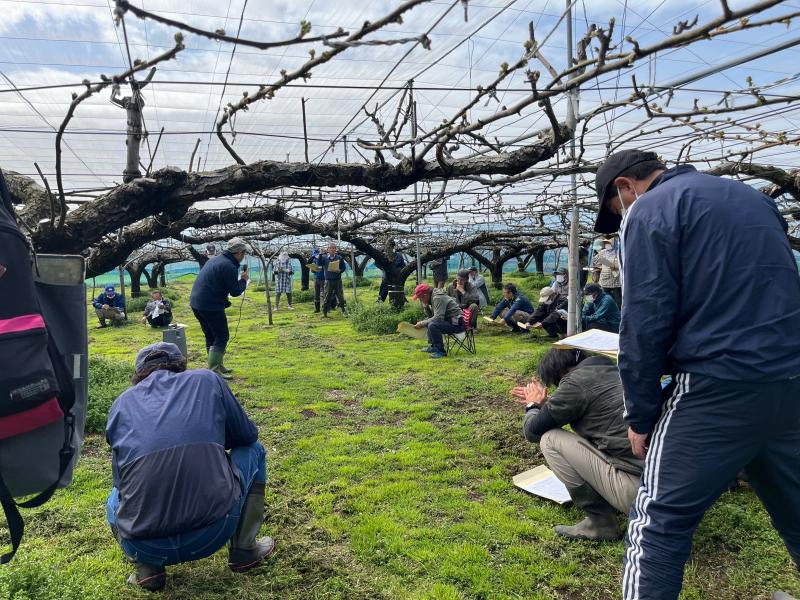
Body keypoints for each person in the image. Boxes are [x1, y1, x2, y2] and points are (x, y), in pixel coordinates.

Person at [594, 148, 800, 600]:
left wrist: (642, 415)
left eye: (615, 209)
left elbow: (644, 321)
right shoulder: (754, 201)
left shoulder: (650, 210)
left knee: (658, 525)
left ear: (625, 188)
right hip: (790, 381)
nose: (621, 217)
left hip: (715, 387)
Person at [105, 342, 275, 592]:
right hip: (213, 532)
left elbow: (121, 483)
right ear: (181, 364)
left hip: (143, 544)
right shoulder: (208, 380)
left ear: (139, 373)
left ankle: (148, 568)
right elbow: (247, 436)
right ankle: (244, 551)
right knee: (255, 451)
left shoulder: (120, 404)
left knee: (113, 497)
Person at [512, 348, 643, 541]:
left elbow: (532, 431)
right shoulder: (616, 371)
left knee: (550, 439)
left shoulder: (574, 383)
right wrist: (550, 404)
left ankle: (600, 522)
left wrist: (532, 406)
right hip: (674, 491)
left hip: (643, 497)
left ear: (559, 374)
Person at [189, 237, 250, 379]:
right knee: (222, 336)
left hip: (196, 303)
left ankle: (216, 365)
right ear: (239, 253)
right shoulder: (229, 266)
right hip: (209, 305)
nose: (243, 256)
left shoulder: (216, 260)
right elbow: (235, 291)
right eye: (244, 253)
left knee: (211, 335)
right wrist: (243, 280)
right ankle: (214, 369)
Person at [412, 283, 464, 359]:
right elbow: (432, 317)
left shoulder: (437, 298)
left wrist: (422, 323)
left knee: (432, 325)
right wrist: (426, 307)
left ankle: (440, 351)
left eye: (420, 298)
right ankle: (434, 346)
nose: (420, 300)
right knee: (429, 322)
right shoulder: (433, 297)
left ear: (425, 295)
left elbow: (438, 318)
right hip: (450, 321)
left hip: (457, 324)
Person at [318, 242, 348, 318]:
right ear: (328, 249)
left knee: (340, 296)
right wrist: (320, 254)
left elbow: (344, 267)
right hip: (328, 280)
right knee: (327, 296)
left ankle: (343, 311)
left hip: (337, 280)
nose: (332, 249)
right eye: (330, 248)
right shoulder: (324, 257)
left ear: (335, 249)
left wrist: (340, 271)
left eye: (333, 248)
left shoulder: (339, 258)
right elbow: (319, 263)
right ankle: (324, 312)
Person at [592, 238, 622, 308]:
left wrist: (614, 266)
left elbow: (622, 263)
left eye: (608, 243)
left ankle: (619, 314)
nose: (607, 245)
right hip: (605, 279)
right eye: (605, 243)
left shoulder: (618, 252)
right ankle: (606, 313)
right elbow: (595, 260)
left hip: (616, 280)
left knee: (618, 299)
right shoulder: (602, 252)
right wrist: (600, 266)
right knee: (605, 299)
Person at [310, 246, 325, 313]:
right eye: (315, 255)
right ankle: (317, 308)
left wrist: (321, 254)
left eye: (317, 255)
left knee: (324, 293)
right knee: (316, 293)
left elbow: (324, 266)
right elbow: (313, 271)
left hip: (324, 278)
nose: (316, 256)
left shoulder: (324, 258)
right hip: (316, 278)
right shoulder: (314, 260)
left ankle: (325, 307)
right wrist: (312, 269)